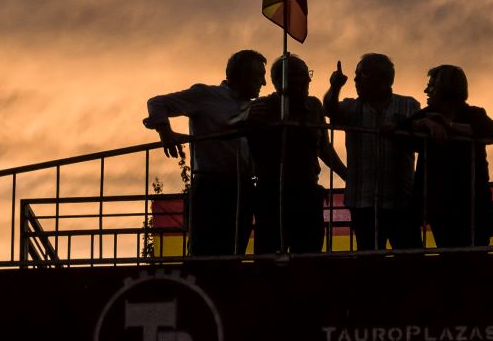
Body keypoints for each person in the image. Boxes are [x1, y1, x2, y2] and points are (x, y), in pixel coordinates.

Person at [143, 49, 266, 256]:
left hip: (243, 187)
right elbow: (157, 102)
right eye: (258, 76)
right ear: (242, 76)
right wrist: (165, 132)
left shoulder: (256, 107)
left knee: (235, 252)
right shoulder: (205, 95)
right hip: (211, 187)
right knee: (204, 252)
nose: (263, 83)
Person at [236, 54, 347, 254]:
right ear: (279, 81)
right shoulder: (262, 107)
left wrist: (347, 175)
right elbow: (234, 132)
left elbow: (324, 147)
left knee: (308, 258)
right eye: (300, 75)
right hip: (272, 196)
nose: (308, 80)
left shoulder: (314, 106)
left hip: (307, 194)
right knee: (268, 258)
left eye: (307, 74)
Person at [323, 53, 421, 250]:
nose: (356, 79)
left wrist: (399, 129)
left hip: (401, 202)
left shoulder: (409, 105)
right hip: (363, 202)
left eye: (363, 73)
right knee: (369, 262)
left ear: (385, 78)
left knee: (410, 263)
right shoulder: (352, 107)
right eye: (356, 74)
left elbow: (419, 138)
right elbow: (330, 110)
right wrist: (335, 87)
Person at [403, 65, 493, 248]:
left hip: (472, 207)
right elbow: (397, 127)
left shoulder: (473, 114)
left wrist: (447, 125)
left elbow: (492, 131)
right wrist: (424, 123)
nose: (426, 90)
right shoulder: (428, 115)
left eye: (431, 86)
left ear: (447, 90)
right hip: (440, 207)